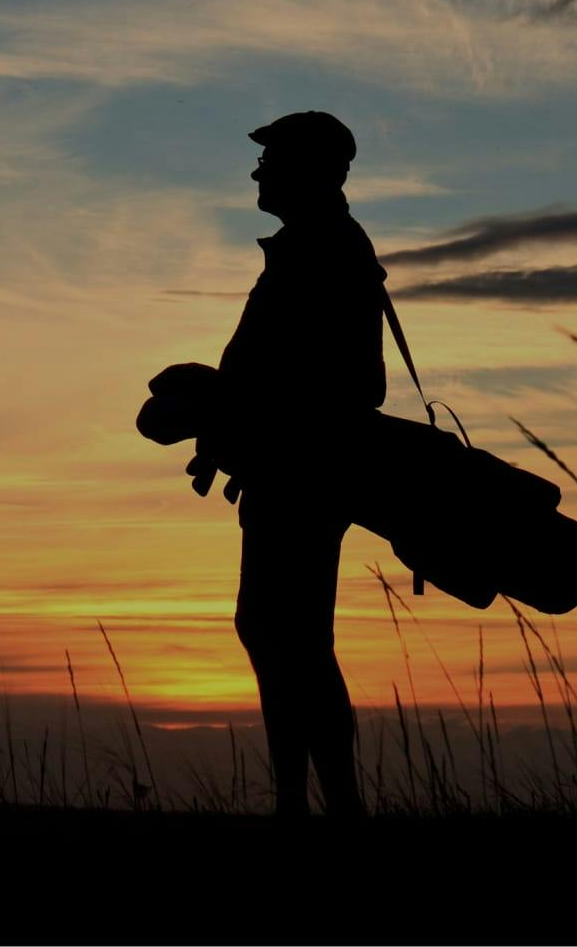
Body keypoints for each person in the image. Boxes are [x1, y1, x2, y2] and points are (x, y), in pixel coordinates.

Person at [188, 110, 386, 818]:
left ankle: (322, 809)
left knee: (290, 637)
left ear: (307, 169)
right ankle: (304, 805)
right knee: (280, 634)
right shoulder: (316, 245)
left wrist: (223, 400)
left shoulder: (326, 250)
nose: (256, 172)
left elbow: (355, 386)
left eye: (270, 161)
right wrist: (221, 411)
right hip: (288, 474)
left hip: (304, 479)